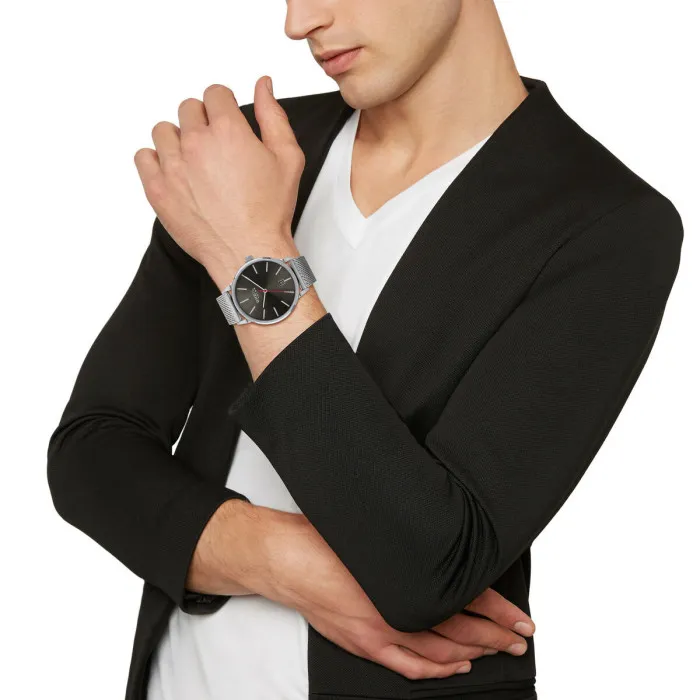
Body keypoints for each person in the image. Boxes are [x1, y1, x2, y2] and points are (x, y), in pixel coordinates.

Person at [46, 1, 684, 699]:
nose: (299, 22)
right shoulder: (242, 159)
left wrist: (254, 255)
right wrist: (284, 562)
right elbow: (90, 452)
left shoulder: (606, 225)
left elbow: (425, 569)